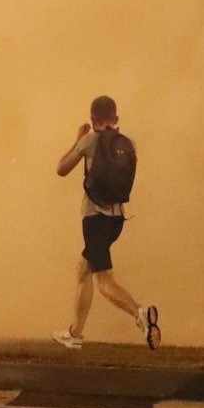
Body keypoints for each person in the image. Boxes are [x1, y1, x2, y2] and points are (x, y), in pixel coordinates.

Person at [51, 96, 161, 350]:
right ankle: (75, 333)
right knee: (83, 270)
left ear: (92, 119)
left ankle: (140, 314)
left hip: (94, 219)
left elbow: (61, 168)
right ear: (116, 118)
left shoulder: (90, 141)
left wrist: (77, 139)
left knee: (104, 282)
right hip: (116, 220)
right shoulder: (128, 143)